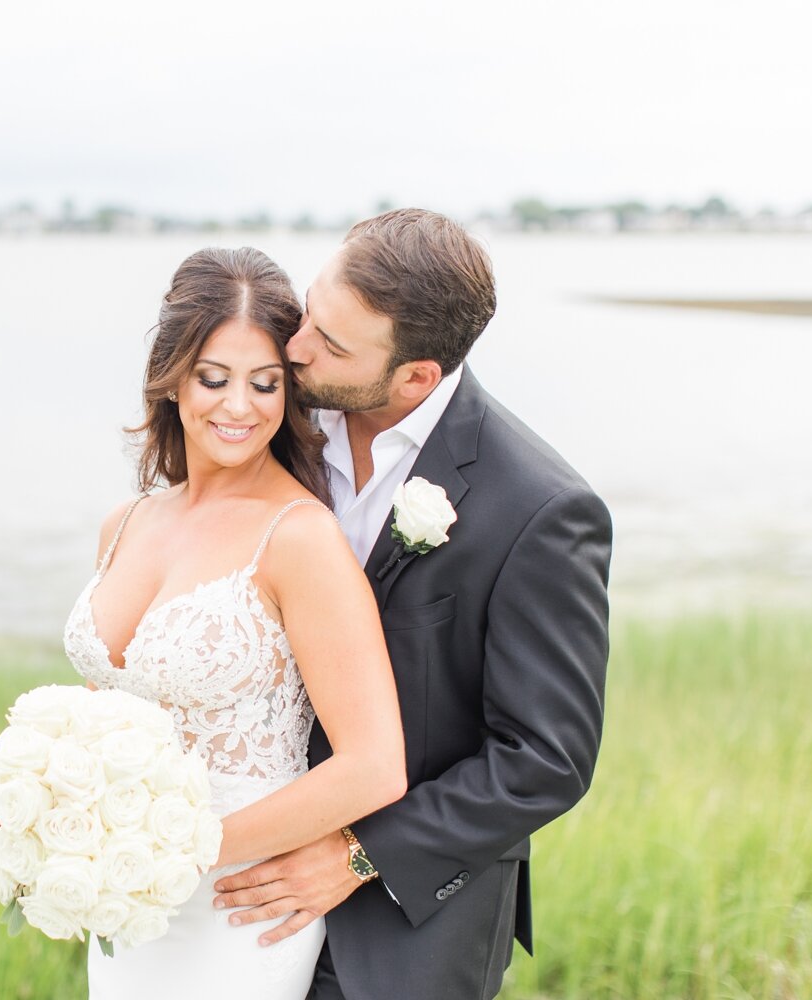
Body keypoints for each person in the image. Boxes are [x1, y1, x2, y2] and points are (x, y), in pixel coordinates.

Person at [210, 209, 613, 1000]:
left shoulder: (539, 509)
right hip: (230, 901)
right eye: (310, 314)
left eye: (330, 344)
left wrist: (359, 853)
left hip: (403, 933)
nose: (294, 350)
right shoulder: (271, 418)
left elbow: (545, 758)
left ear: (416, 377)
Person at [62, 247, 407, 998]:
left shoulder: (299, 537)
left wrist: (187, 850)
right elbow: (108, 706)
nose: (239, 406)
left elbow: (374, 765)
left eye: (266, 384)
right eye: (214, 378)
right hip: (124, 900)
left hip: (237, 906)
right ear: (173, 376)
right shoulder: (126, 523)